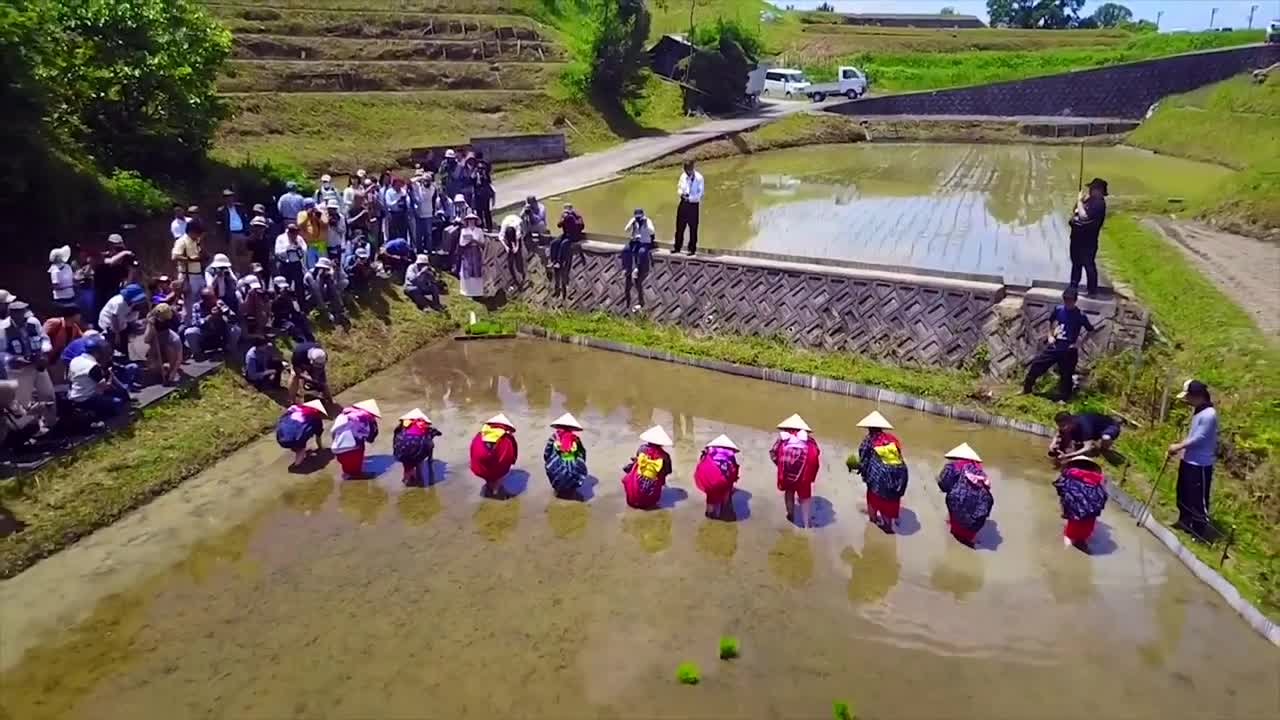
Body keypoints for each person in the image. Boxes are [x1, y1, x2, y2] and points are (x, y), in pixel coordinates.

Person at [1167, 379, 1219, 540]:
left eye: (1188, 396)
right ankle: (1184, 521)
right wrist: (1182, 451)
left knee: (1198, 498)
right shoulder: (1199, 410)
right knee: (1183, 493)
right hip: (1189, 459)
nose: (1186, 400)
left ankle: (1199, 531)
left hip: (1200, 464)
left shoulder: (1209, 414)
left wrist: (1178, 446)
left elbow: (1200, 438)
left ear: (1198, 395)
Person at [1022, 287, 1095, 401]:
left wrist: (1078, 343)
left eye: (1070, 301)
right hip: (1056, 346)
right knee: (1037, 364)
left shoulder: (1080, 315)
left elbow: (1090, 330)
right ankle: (1026, 390)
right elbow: (1050, 321)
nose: (1067, 303)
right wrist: (1050, 335)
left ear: (1075, 301)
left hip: (1069, 350)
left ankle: (1064, 398)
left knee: (1066, 375)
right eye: (1065, 300)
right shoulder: (1059, 309)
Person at [856, 411, 909, 531]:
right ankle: (888, 524)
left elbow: (863, 459)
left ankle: (873, 520)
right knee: (891, 499)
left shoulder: (869, 440)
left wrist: (864, 475)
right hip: (900, 473)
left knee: (874, 496)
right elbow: (898, 455)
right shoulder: (892, 439)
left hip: (879, 475)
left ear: (869, 428)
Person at [936, 443, 994, 547]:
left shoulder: (953, 466)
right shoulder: (979, 469)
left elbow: (944, 483)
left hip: (960, 500)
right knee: (972, 521)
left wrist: (944, 488)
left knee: (954, 500)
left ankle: (957, 535)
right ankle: (970, 539)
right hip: (984, 503)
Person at [770, 414, 820, 527]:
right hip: (804, 475)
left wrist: (781, 466)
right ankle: (806, 524)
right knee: (805, 497)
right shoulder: (809, 440)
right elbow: (816, 454)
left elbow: (773, 453)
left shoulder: (783, 438)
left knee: (789, 492)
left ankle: (791, 515)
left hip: (787, 473)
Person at [66, 336, 129, 425]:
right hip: (87, 399)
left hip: (74, 397)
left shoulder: (75, 360)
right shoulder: (92, 366)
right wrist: (110, 373)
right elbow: (106, 386)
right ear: (96, 353)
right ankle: (101, 417)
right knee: (117, 402)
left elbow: (68, 378)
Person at [1053, 456, 1108, 548]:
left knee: (1070, 535)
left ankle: (1068, 549)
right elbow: (1103, 495)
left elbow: (1062, 490)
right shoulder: (1097, 479)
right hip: (1091, 512)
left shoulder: (1070, 474)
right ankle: (1082, 541)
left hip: (1075, 511)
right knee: (1085, 534)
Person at [1069, 177, 1108, 297]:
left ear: (1099, 190)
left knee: (1088, 264)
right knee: (1076, 264)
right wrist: (1079, 201)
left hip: (1088, 241)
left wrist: (1080, 202)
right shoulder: (1090, 200)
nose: (1090, 190)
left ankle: (1092, 291)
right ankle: (1073, 288)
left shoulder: (1099, 203)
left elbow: (1084, 216)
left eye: (1092, 188)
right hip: (1076, 238)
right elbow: (1076, 211)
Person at [621, 425, 673, 510]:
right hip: (651, 500)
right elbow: (668, 471)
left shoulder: (641, 449)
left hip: (632, 498)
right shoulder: (665, 456)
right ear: (662, 443)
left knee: (635, 466)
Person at [469, 413, 519, 498]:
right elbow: (510, 453)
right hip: (495, 459)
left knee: (487, 473)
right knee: (497, 474)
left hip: (479, 459)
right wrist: (511, 461)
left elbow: (472, 449)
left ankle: (489, 487)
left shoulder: (481, 433)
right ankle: (496, 492)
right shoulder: (506, 437)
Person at [183, 287, 241, 360]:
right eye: (209, 298)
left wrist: (226, 312)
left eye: (213, 297)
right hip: (205, 331)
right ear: (204, 299)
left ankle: (229, 350)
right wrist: (210, 317)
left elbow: (233, 318)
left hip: (220, 330)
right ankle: (198, 354)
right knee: (189, 332)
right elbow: (195, 323)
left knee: (236, 330)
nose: (213, 300)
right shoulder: (197, 306)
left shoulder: (219, 302)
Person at [331, 399, 381, 479]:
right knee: (355, 463)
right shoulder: (363, 418)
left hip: (337, 446)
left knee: (346, 464)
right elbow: (369, 437)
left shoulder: (343, 414)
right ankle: (356, 475)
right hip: (350, 447)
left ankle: (347, 473)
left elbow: (333, 431)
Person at [543, 412, 588, 498]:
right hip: (574, 465)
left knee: (554, 473)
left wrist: (547, 461)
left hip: (556, 464)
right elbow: (582, 453)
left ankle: (559, 491)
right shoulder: (575, 438)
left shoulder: (554, 437)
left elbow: (547, 452)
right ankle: (571, 491)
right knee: (575, 474)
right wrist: (582, 463)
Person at [695, 434, 741, 519]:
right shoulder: (729, 455)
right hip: (720, 478)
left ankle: (709, 512)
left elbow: (701, 464)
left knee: (710, 493)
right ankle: (724, 508)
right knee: (727, 488)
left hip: (705, 476)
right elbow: (733, 471)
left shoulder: (708, 452)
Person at [1050, 410, 1121, 464]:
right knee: (1067, 439)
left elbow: (1087, 448)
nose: (1061, 428)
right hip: (1094, 429)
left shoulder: (1084, 425)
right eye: (1059, 426)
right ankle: (1094, 444)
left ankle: (1102, 449)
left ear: (1070, 421)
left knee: (1106, 437)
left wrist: (1067, 456)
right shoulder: (1070, 422)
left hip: (1111, 426)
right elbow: (1058, 432)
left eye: (1063, 426)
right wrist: (1052, 444)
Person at [92, 233, 137, 319]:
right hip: (102, 289)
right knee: (101, 311)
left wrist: (128, 282)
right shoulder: (102, 256)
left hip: (116, 288)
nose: (117, 248)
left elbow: (132, 269)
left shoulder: (124, 257)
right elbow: (111, 262)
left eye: (119, 245)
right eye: (115, 245)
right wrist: (124, 252)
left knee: (115, 311)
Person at [97, 283, 147, 357]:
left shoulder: (132, 302)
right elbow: (114, 318)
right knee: (113, 342)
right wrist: (117, 335)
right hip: (110, 323)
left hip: (121, 320)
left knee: (123, 341)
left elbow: (130, 315)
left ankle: (124, 353)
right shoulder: (119, 303)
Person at [394, 408, 441, 486]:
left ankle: (408, 477)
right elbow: (438, 433)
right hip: (418, 452)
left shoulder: (399, 428)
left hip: (401, 452)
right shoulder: (425, 428)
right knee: (421, 454)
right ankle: (419, 478)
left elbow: (396, 439)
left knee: (407, 462)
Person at [276, 399, 327, 468]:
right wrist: (320, 448)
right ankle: (297, 465)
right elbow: (318, 437)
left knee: (294, 438)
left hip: (280, 435)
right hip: (293, 437)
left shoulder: (296, 408)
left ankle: (294, 447)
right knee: (301, 449)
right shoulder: (316, 418)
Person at [622, 208, 656, 311]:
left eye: (639, 217)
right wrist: (632, 223)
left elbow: (652, 231)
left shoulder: (647, 221)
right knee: (626, 250)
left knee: (641, 252)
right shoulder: (633, 220)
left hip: (645, 242)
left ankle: (637, 269)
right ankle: (626, 268)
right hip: (635, 241)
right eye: (637, 217)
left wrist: (645, 223)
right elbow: (626, 230)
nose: (638, 219)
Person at [142, 303, 183, 386]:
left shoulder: (174, 338)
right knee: (152, 367)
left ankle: (169, 371)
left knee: (170, 349)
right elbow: (146, 340)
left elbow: (179, 358)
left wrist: (172, 374)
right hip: (156, 351)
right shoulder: (152, 326)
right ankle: (162, 371)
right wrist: (150, 325)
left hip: (169, 353)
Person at [172, 217, 208, 311]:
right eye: (198, 233)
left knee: (202, 301)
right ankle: (188, 324)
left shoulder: (198, 242)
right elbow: (175, 257)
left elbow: (205, 257)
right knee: (189, 304)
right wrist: (190, 259)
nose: (199, 235)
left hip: (199, 275)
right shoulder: (181, 241)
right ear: (192, 231)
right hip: (188, 276)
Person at [42, 304, 84, 382]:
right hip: (46, 357)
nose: (80, 316)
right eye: (79, 314)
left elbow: (83, 338)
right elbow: (42, 336)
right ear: (73, 315)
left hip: (58, 359)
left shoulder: (74, 327)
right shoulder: (55, 322)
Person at [270, 277, 314, 344]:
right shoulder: (273, 298)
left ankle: (311, 341)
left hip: (291, 315)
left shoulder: (288, 295)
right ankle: (301, 343)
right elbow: (275, 314)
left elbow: (294, 309)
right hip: (281, 320)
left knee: (302, 319)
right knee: (291, 326)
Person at [674, 159, 704, 255]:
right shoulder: (683, 176)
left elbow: (700, 194)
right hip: (683, 203)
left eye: (688, 170)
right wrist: (681, 194)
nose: (687, 172)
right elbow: (679, 187)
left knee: (693, 228)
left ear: (692, 168)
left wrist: (690, 198)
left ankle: (692, 249)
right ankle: (677, 247)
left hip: (693, 205)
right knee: (679, 227)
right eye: (685, 170)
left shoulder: (699, 178)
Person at [304, 257, 345, 321]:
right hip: (310, 297)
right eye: (326, 269)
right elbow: (317, 293)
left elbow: (333, 290)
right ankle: (319, 309)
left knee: (331, 286)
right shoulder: (310, 276)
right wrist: (326, 312)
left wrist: (339, 306)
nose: (327, 271)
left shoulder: (324, 275)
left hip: (320, 295)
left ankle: (336, 309)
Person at [457, 212, 487, 298]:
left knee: (477, 270)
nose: (471, 221)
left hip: (476, 251)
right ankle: (468, 291)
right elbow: (461, 243)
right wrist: (468, 241)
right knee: (467, 269)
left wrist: (475, 241)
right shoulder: (464, 231)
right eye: (469, 220)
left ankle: (477, 292)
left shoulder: (479, 230)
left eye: (472, 220)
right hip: (467, 252)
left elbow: (483, 243)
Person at [274, 223, 308, 294]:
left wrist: (299, 248)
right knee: (285, 285)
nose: (295, 234)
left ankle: (302, 302)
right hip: (285, 264)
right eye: (293, 232)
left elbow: (305, 249)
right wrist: (287, 250)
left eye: (296, 231)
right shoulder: (281, 238)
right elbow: (277, 252)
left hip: (296, 264)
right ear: (288, 232)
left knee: (299, 285)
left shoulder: (299, 238)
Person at [551, 203, 585, 270]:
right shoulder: (564, 216)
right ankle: (553, 260)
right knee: (554, 242)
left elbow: (581, 226)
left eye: (568, 209)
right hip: (566, 234)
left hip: (574, 235)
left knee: (563, 244)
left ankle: (559, 262)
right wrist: (563, 219)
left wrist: (572, 220)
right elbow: (558, 225)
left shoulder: (577, 216)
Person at [411, 170, 439, 252]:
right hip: (419, 214)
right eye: (425, 180)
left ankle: (429, 250)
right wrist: (420, 177)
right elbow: (410, 181)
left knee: (428, 234)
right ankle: (419, 250)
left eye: (428, 180)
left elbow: (432, 188)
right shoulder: (418, 188)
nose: (426, 182)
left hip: (428, 214)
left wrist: (425, 178)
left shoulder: (432, 189)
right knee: (418, 234)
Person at [215, 189, 247, 257]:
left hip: (242, 233)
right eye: (227, 198)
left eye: (231, 197)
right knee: (233, 256)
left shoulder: (240, 207)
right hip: (231, 235)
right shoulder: (221, 210)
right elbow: (219, 224)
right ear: (224, 199)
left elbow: (245, 219)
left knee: (244, 255)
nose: (229, 199)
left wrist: (246, 233)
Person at [497, 213, 526, 287]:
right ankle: (514, 277)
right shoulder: (504, 226)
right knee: (510, 261)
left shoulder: (517, 227)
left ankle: (522, 274)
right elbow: (501, 238)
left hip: (516, 234)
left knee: (518, 256)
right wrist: (506, 247)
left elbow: (517, 239)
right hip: (509, 234)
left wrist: (516, 247)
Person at [297, 198, 327, 269]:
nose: (310, 207)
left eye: (312, 206)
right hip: (309, 244)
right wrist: (308, 215)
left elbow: (325, 224)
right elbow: (300, 225)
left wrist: (317, 216)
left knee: (322, 263)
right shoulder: (301, 214)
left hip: (321, 244)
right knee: (311, 266)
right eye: (308, 206)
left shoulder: (320, 213)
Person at [472, 150, 495, 231]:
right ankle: (482, 227)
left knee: (485, 211)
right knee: (480, 211)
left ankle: (488, 227)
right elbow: (472, 180)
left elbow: (488, 180)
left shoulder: (485, 167)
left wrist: (484, 173)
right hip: (479, 192)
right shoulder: (475, 168)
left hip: (484, 192)